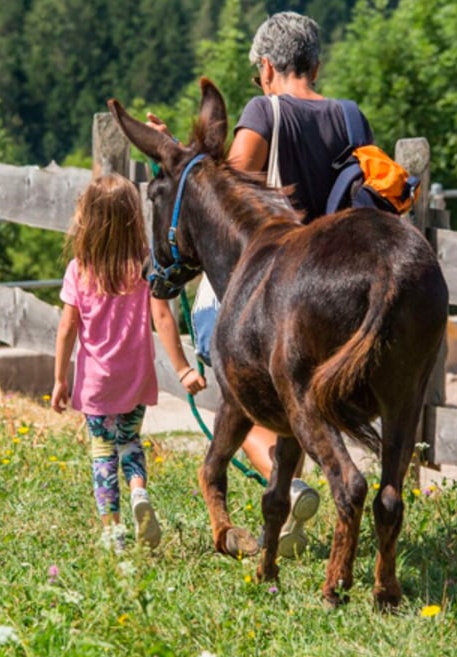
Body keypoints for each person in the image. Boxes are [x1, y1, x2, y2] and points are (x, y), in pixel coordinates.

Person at [147, 11, 375, 558]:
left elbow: (222, 191)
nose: (260, 83)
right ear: (316, 65)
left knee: (236, 376)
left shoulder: (263, 110)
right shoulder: (350, 117)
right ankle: (287, 485)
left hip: (266, 280)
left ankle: (284, 477)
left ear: (267, 68)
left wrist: (175, 151)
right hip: (337, 287)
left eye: (259, 74)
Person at [51, 174, 207, 553]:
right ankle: (139, 492)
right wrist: (183, 368)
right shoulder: (144, 266)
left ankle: (114, 531)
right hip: (135, 379)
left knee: (102, 451)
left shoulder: (80, 269)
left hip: (96, 385)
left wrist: (59, 379)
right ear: (132, 218)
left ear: (88, 219)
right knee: (130, 442)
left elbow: (67, 327)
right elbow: (164, 318)